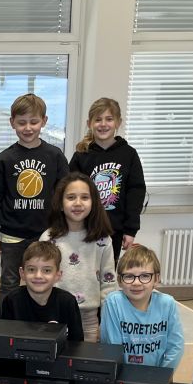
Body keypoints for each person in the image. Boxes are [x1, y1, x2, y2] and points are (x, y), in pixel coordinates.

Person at [0, 93, 70, 304]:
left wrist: (63, 227)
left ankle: (42, 319)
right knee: (9, 283)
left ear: (44, 121)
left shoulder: (55, 156)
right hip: (11, 235)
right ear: (12, 122)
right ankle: (5, 321)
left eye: (34, 122)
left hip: (46, 233)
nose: (28, 128)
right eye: (22, 122)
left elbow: (64, 196)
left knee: (46, 281)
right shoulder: (5, 158)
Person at [39, 172, 116, 342]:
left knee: (86, 356)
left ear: (93, 203)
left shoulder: (103, 239)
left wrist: (107, 319)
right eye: (71, 197)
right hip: (55, 314)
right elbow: (40, 279)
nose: (78, 203)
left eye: (85, 197)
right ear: (60, 204)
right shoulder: (48, 238)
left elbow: (109, 283)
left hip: (88, 317)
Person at [69, 97, 147, 263]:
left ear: (118, 122)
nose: (103, 124)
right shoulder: (81, 156)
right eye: (98, 119)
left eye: (109, 119)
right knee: (81, 269)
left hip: (115, 230)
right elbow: (68, 192)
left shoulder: (129, 154)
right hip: (84, 228)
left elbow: (136, 193)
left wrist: (130, 230)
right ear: (89, 123)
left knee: (108, 272)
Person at [100, 244, 185, 368]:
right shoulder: (113, 303)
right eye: (129, 276)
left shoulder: (167, 304)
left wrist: (162, 375)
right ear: (119, 280)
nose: (136, 282)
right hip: (121, 374)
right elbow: (112, 347)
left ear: (156, 279)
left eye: (145, 276)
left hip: (157, 374)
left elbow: (176, 346)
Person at [1, 241, 84, 342]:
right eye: (31, 270)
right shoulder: (12, 301)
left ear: (57, 275)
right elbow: (4, 342)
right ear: (22, 273)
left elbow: (77, 344)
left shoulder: (67, 302)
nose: (38, 276)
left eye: (47, 270)